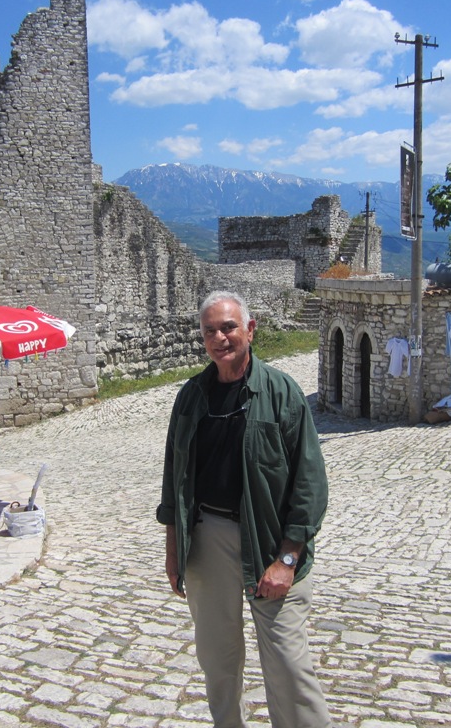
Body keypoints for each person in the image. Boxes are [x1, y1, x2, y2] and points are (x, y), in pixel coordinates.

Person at [157, 291, 332, 727]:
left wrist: (289, 558)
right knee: (217, 660)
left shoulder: (282, 393)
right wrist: (174, 549)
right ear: (203, 339)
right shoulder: (191, 397)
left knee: (289, 664)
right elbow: (173, 478)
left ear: (250, 329)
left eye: (229, 327)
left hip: (270, 541)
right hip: (206, 539)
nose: (221, 337)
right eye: (211, 330)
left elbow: (310, 483)